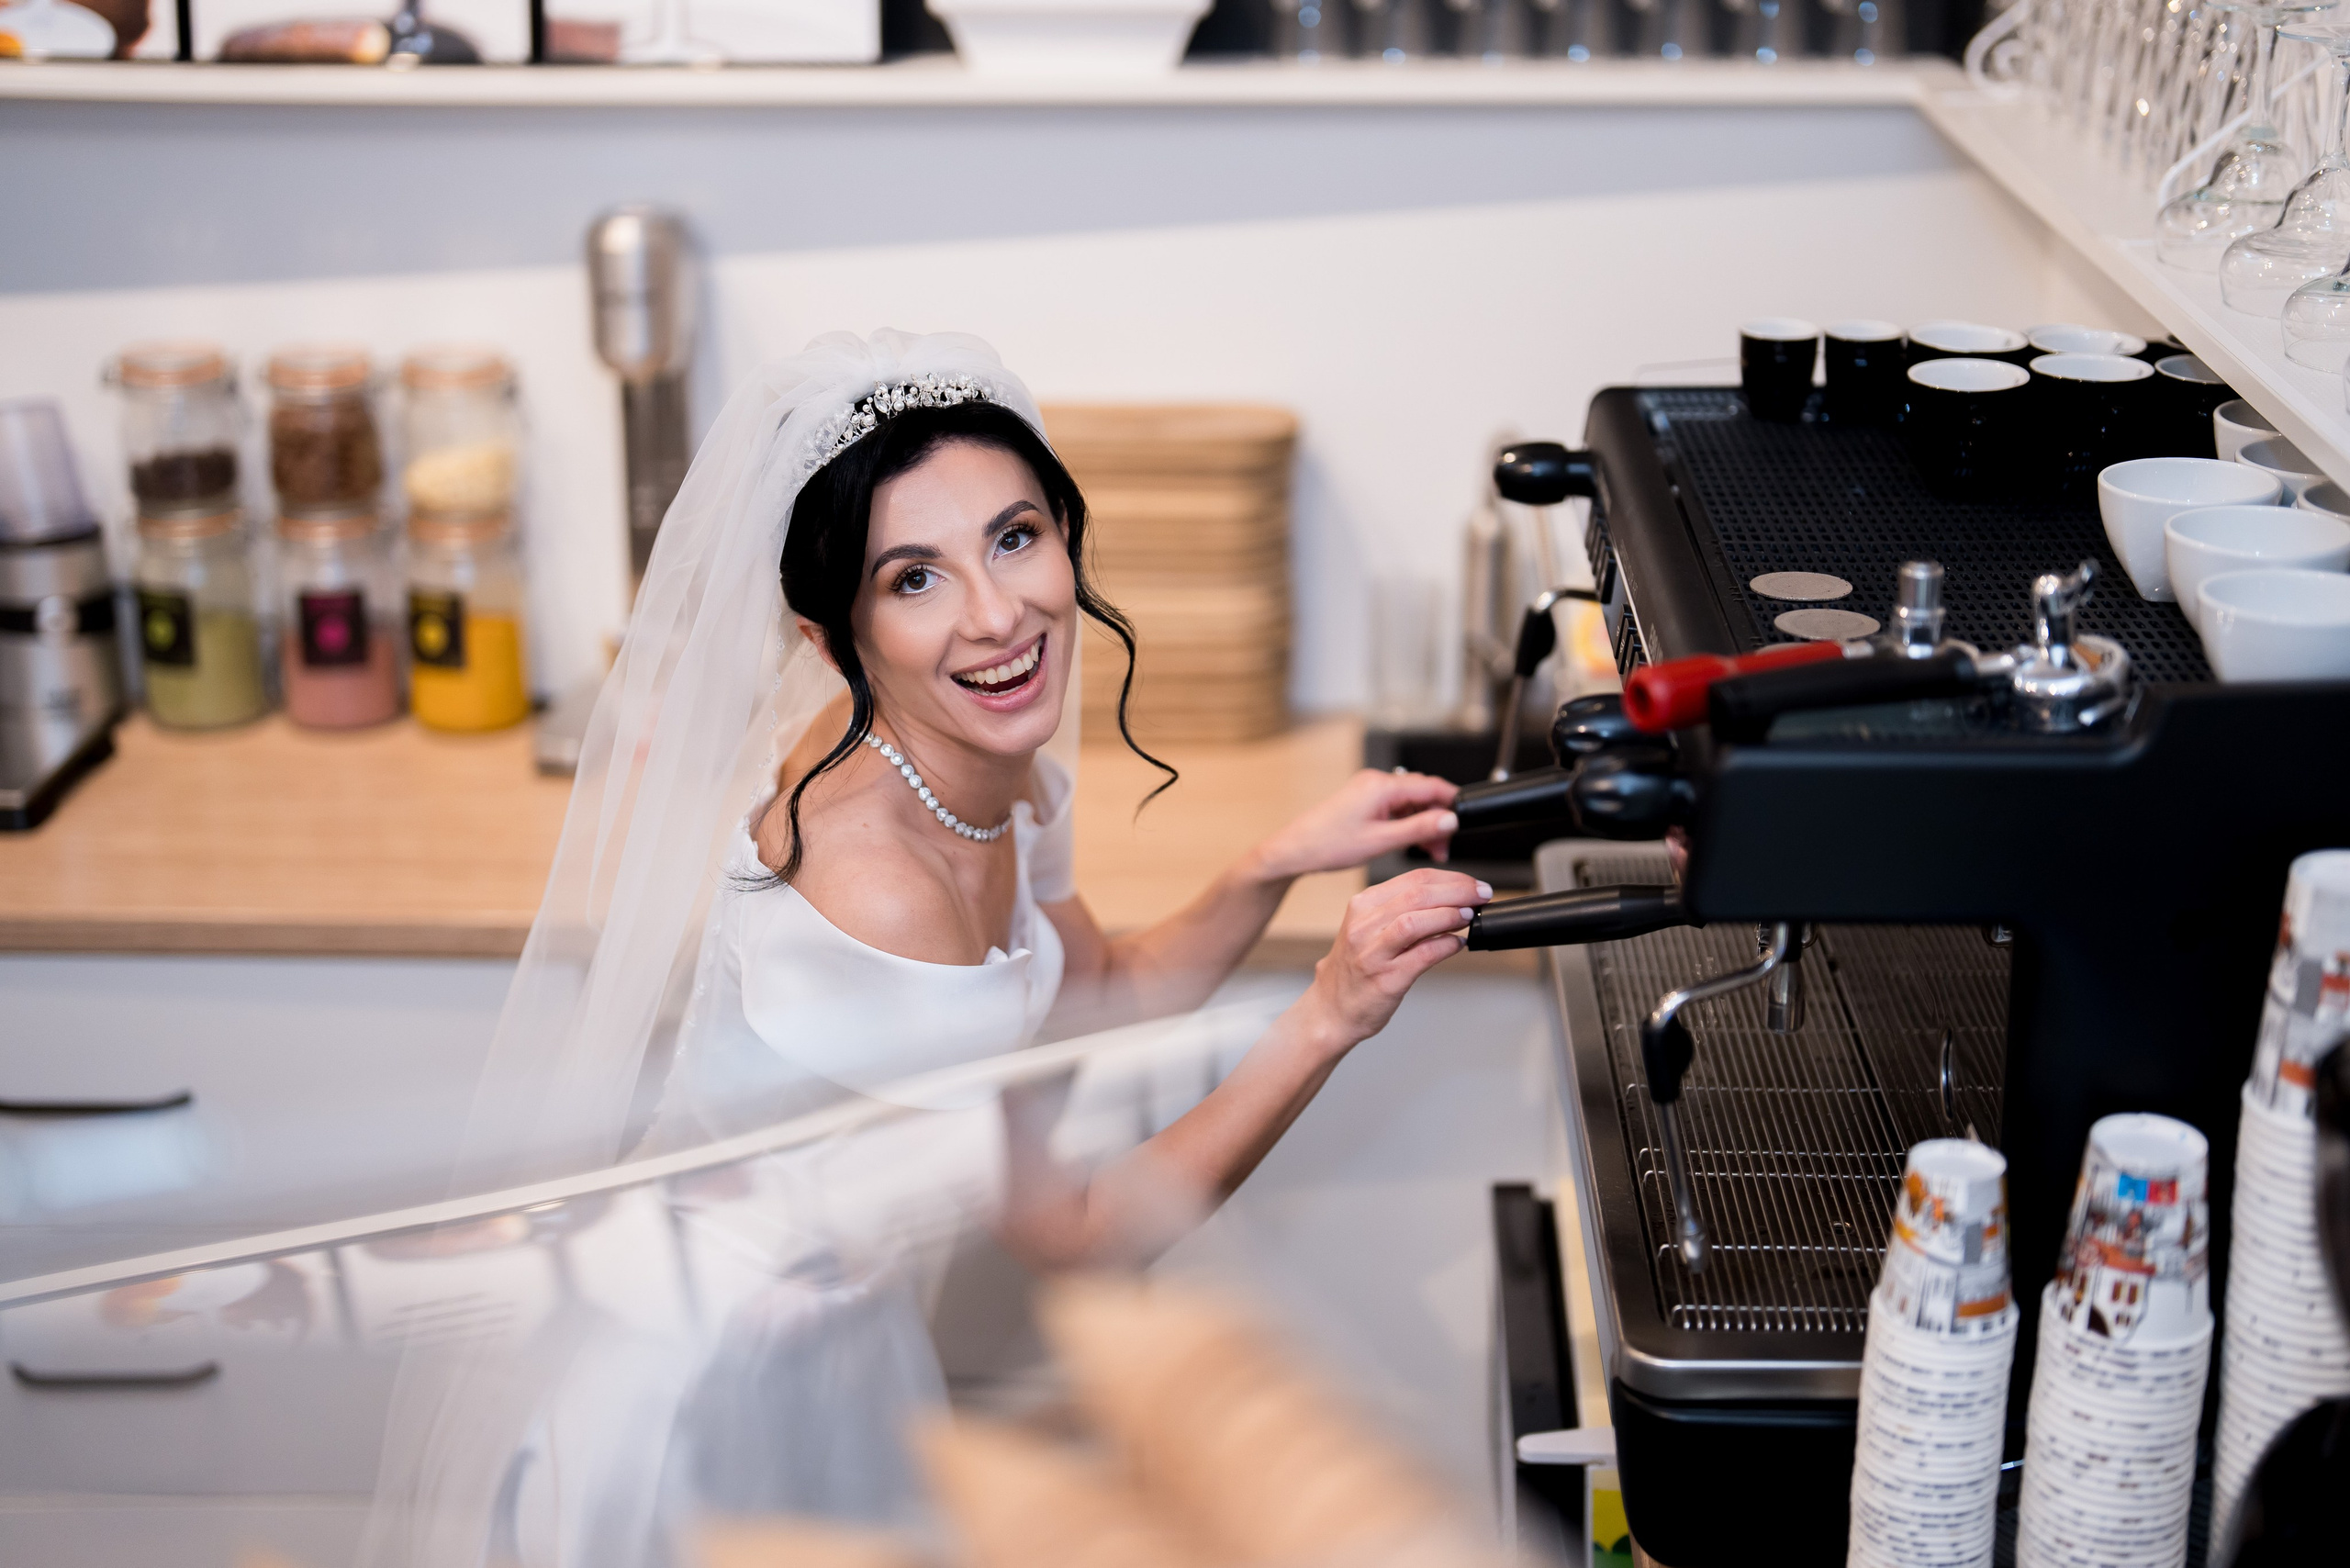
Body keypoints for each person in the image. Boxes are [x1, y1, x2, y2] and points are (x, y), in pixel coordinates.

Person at [632, 334, 1491, 1264]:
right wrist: (1329, 1014)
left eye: (1014, 537)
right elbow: (1075, 1238)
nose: (997, 615)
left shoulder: (986, 764)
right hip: (731, 1349)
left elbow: (1106, 993)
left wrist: (1276, 859)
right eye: (914, 578)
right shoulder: (879, 888)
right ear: (835, 642)